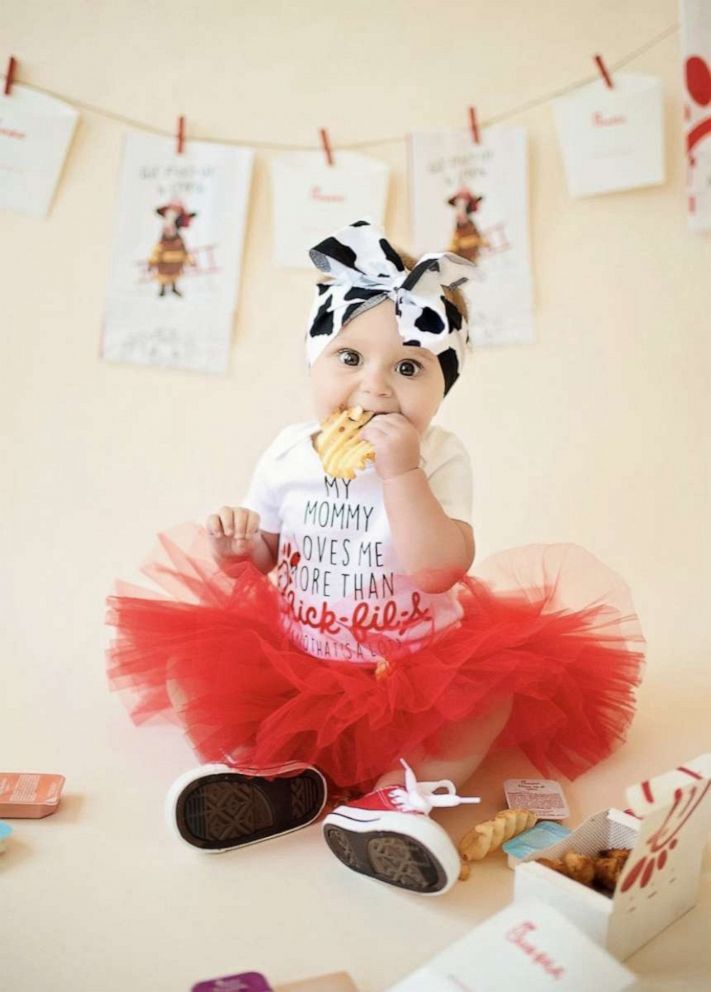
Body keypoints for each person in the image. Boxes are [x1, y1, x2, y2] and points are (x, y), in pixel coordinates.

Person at [106, 219, 645, 896]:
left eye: (409, 366)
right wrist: (238, 548)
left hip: (414, 667)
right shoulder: (287, 452)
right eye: (350, 358)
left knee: (484, 703)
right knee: (190, 670)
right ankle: (268, 780)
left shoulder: (439, 456)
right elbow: (267, 560)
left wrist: (400, 472)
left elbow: (437, 568)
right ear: (316, 360)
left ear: (444, 384)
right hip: (300, 662)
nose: (375, 386)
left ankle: (395, 801)